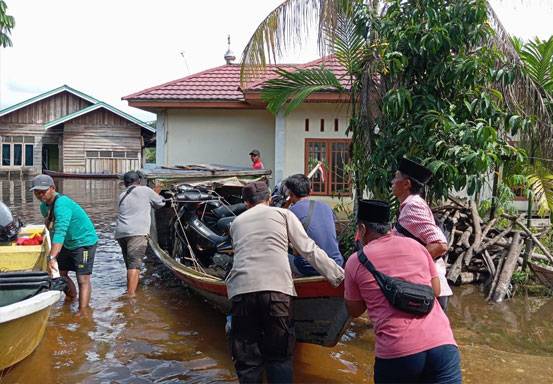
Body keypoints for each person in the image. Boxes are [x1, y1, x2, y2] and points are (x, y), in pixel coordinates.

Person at [226, 181, 344, 383]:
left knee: (248, 362)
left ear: (246, 203)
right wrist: (338, 276)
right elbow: (308, 249)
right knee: (279, 357)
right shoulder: (284, 214)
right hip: (277, 292)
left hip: (241, 292)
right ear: (269, 200)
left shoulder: (236, 223)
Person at [344, 199, 461, 384]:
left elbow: (355, 310)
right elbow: (436, 291)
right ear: (389, 226)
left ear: (363, 229)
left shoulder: (356, 262)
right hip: (443, 345)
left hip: (398, 352)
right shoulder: (417, 247)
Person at [391, 157, 453, 311]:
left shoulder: (413, 206)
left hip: (428, 291)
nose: (392, 181)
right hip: (425, 290)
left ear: (406, 184)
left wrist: (412, 268)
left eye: (396, 177)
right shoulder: (409, 206)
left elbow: (440, 245)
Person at [31, 174, 98, 311]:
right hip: (66, 243)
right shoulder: (44, 206)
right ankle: (71, 299)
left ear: (52, 188)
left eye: (43, 191)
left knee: (82, 279)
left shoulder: (62, 204)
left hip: (83, 242)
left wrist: (52, 256)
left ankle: (83, 312)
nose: (40, 194)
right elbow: (49, 225)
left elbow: (61, 230)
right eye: (36, 192)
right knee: (60, 273)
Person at [115, 171, 165, 297]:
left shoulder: (122, 195)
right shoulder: (145, 190)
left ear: (126, 183)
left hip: (121, 233)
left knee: (130, 264)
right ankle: (130, 295)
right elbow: (161, 203)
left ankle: (131, 288)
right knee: (135, 264)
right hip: (137, 233)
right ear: (139, 181)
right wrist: (156, 193)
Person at [284, 174, 344, 276]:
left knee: (280, 255)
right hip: (336, 263)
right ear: (310, 191)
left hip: (310, 267)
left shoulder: (290, 213)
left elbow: (288, 243)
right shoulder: (326, 207)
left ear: (291, 193)